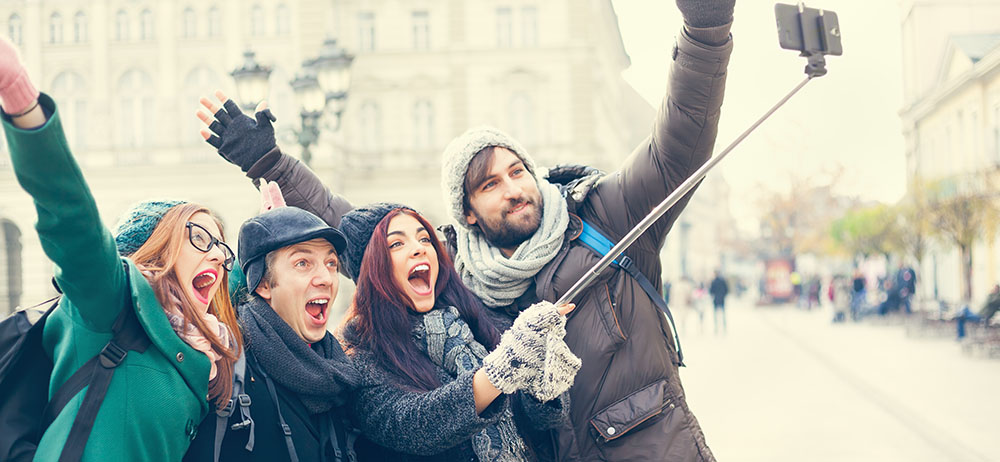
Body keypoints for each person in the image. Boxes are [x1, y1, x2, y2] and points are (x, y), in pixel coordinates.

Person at [200, 1, 735, 457]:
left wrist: (706, 32)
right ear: (468, 211)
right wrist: (269, 162)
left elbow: (678, 149)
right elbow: (359, 226)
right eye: (489, 185)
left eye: (518, 171)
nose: (513, 189)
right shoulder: (457, 271)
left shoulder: (606, 216)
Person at [0, 39, 241, 460]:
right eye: (200, 238)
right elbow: (71, 219)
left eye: (221, 244)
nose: (219, 255)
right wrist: (24, 108)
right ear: (156, 252)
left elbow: (249, 280)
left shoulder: (204, 341)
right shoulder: (111, 307)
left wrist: (272, 196)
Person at [336, 203, 578, 461]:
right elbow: (417, 426)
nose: (419, 248)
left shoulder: (473, 320)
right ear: (368, 270)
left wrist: (544, 379)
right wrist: (503, 368)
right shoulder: (359, 355)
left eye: (424, 238)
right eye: (396, 244)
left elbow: (537, 423)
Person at [185, 184, 361, 461]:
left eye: (331, 264)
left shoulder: (344, 372)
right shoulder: (222, 364)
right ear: (264, 285)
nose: (326, 278)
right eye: (303, 263)